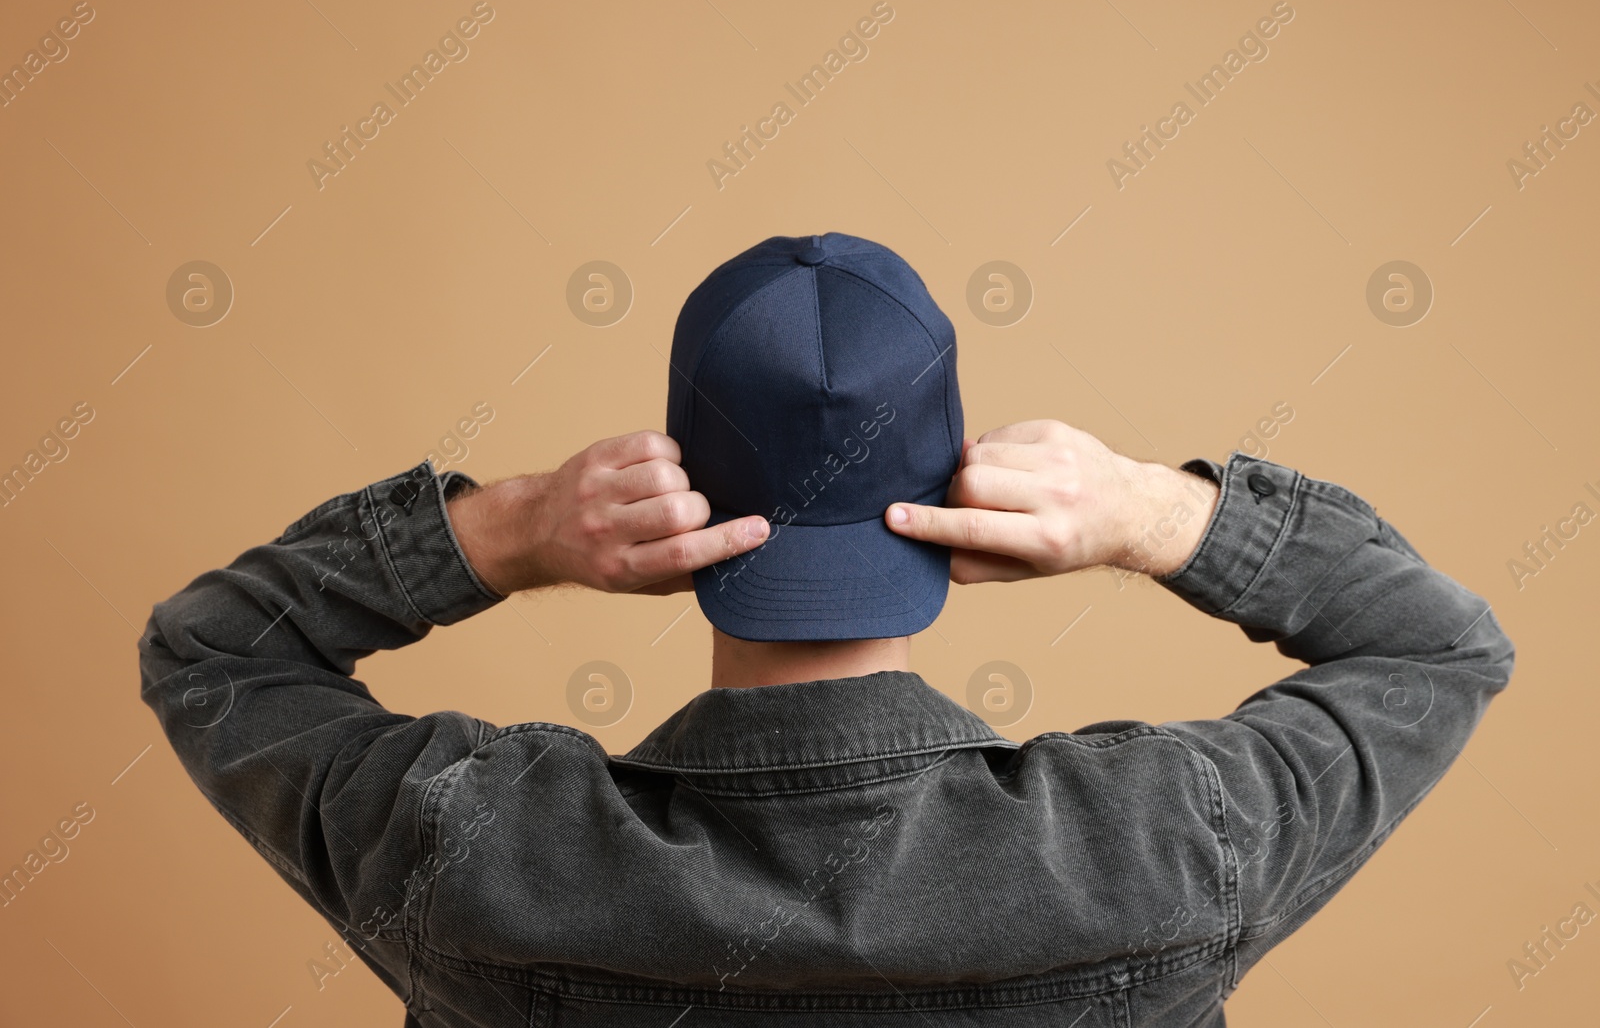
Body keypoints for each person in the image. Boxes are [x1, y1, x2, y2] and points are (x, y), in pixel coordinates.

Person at [140, 233, 1514, 1027]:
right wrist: (1154, 515)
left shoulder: (471, 847)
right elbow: (1440, 650)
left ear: (674, 491)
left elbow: (211, 652)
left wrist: (507, 528)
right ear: (940, 480)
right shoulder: (1164, 843)